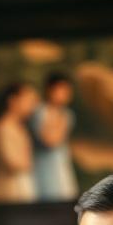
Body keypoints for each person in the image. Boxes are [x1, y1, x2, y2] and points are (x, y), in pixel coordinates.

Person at [30, 72, 78, 201]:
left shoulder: (67, 114)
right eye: (62, 89)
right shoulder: (39, 111)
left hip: (61, 165)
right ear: (50, 90)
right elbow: (50, 141)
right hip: (43, 167)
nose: (66, 94)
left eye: (68, 90)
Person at [0, 82, 38, 203]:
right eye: (28, 100)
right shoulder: (2, 127)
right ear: (13, 100)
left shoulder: (20, 127)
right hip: (9, 190)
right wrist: (27, 163)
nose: (32, 106)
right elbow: (10, 162)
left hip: (22, 185)